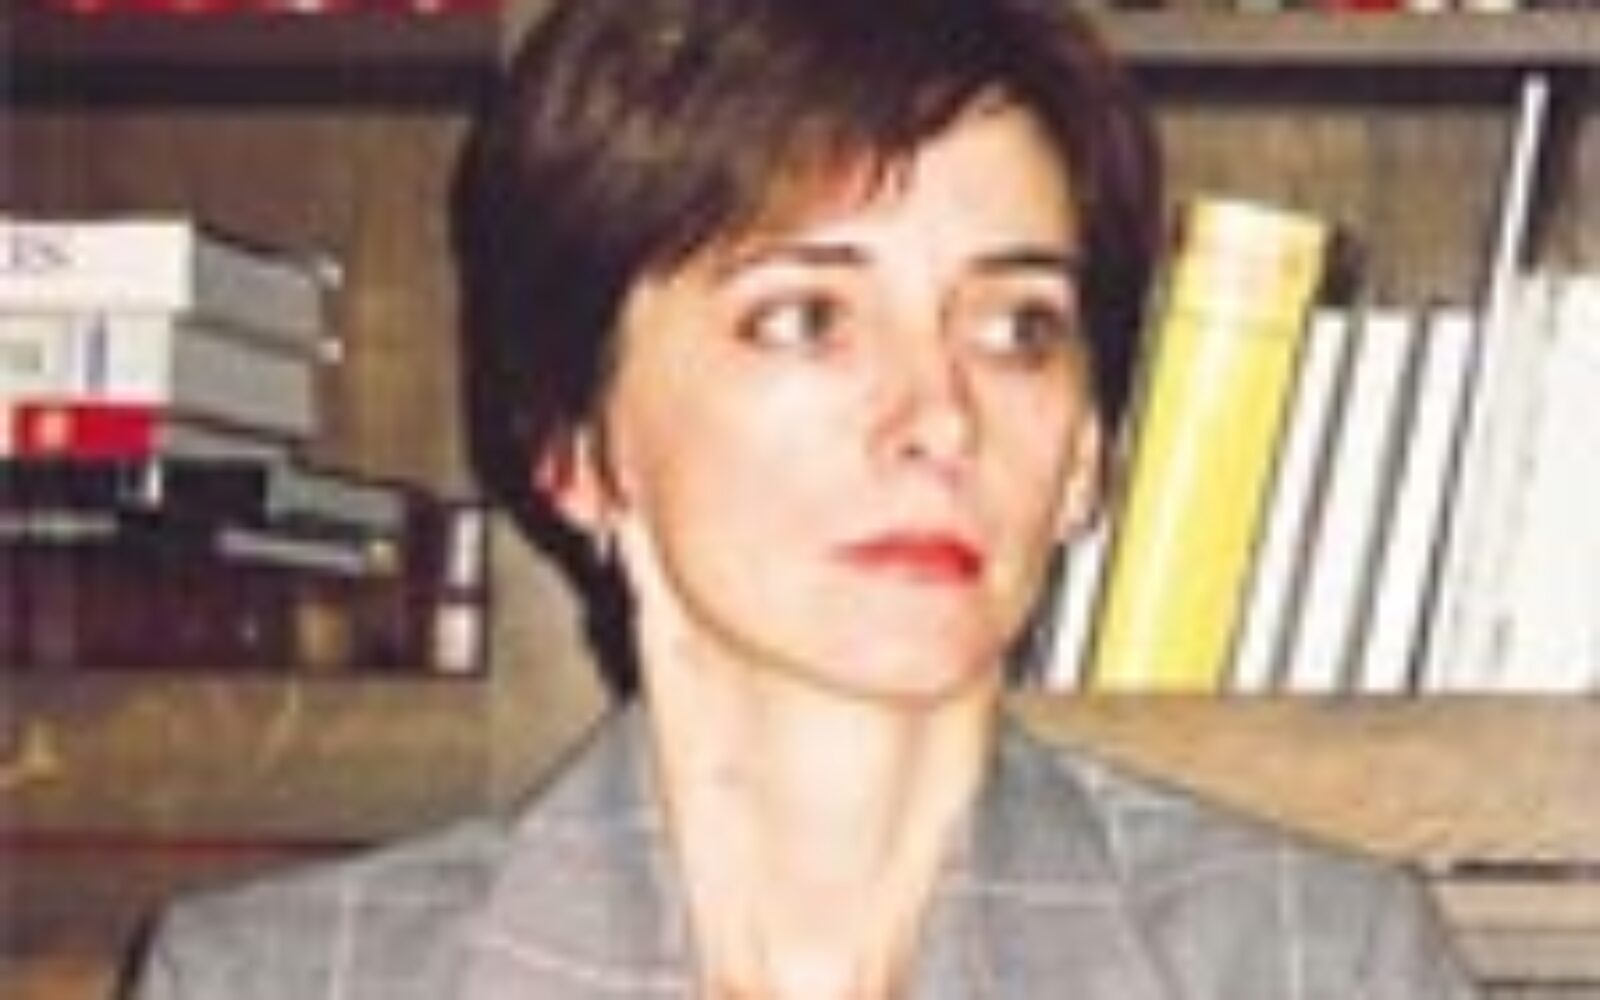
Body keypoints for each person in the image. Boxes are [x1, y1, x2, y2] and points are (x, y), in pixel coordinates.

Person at [127, 0, 1478, 996]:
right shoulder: (281, 981)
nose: (938, 415)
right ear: (575, 445)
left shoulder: (1319, 963)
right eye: (806, 319)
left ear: (1085, 457)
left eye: (1017, 328)